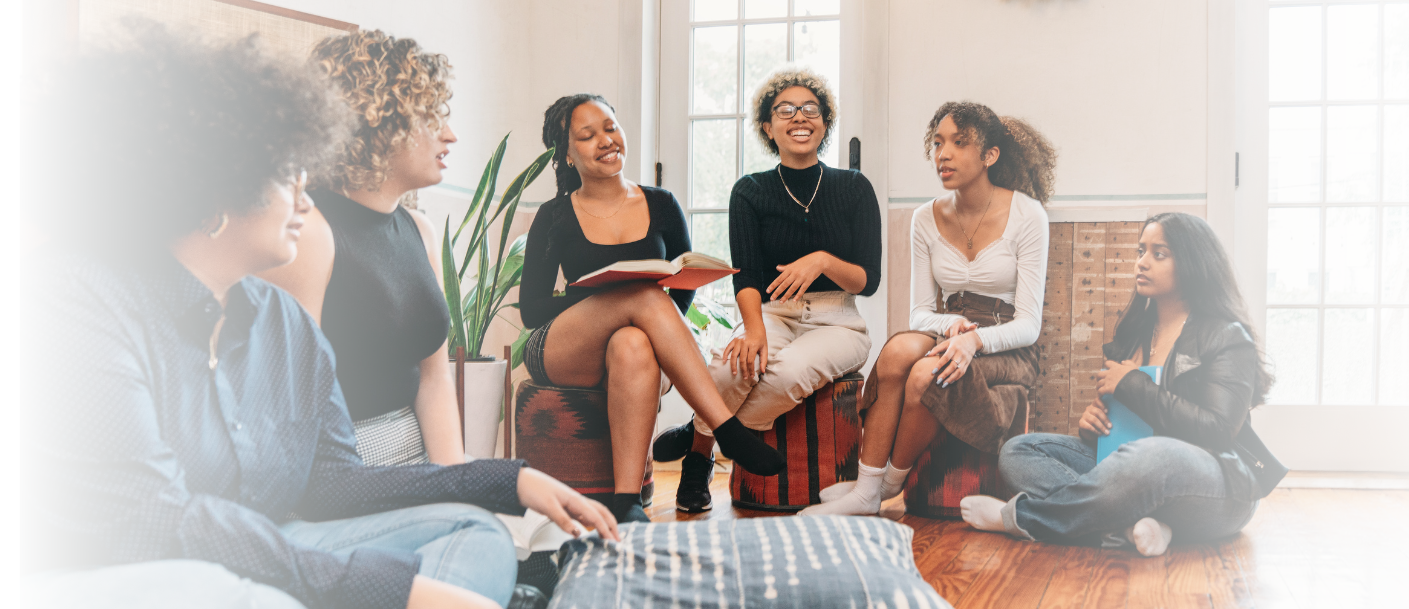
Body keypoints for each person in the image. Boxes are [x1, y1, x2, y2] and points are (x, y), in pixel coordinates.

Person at [30, 26, 617, 609]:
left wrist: (507, 479)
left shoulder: (280, 319)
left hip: (282, 543)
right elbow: (156, 523)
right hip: (163, 571)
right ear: (216, 181)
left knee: (474, 535)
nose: (307, 200)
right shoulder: (82, 301)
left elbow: (335, 485)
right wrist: (390, 589)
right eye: (289, 175)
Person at [518, 93, 785, 523]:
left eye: (610, 127)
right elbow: (531, 309)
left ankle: (626, 505)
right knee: (642, 296)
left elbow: (681, 287)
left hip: (638, 352)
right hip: (564, 351)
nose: (605, 140)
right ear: (566, 155)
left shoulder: (661, 203)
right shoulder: (554, 215)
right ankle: (725, 428)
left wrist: (632, 317)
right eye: (587, 136)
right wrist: (604, 299)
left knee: (633, 343)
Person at [960, 213, 1288, 557]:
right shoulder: (1135, 333)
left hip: (1216, 486)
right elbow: (1122, 435)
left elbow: (1218, 430)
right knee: (1018, 452)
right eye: (1141, 251)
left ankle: (1021, 517)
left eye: (1158, 254)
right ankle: (1130, 528)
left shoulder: (1225, 336)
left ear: (1192, 263)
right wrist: (1092, 427)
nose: (1142, 263)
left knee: (1151, 457)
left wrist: (1132, 383)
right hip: (1132, 472)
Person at [802, 101, 1056, 516]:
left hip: (1006, 344)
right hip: (951, 330)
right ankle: (866, 486)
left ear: (990, 155)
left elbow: (1028, 324)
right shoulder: (924, 218)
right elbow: (919, 314)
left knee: (925, 374)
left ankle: (885, 486)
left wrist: (975, 340)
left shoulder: (1028, 215)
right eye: (938, 143)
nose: (943, 154)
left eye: (959, 143)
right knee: (900, 351)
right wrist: (952, 324)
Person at [652, 67, 883, 513]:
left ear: (825, 122)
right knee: (731, 369)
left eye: (811, 109)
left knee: (784, 375)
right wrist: (753, 329)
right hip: (772, 313)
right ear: (767, 126)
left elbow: (867, 280)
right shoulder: (750, 191)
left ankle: (701, 440)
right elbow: (748, 277)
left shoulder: (854, 188)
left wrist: (823, 261)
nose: (800, 117)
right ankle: (698, 463)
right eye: (786, 110)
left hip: (839, 321)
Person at [260, 30, 464, 467]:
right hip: (345, 466)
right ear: (379, 124)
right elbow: (296, 403)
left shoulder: (420, 229)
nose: (450, 135)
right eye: (431, 118)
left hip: (417, 459)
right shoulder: (311, 234)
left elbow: (434, 380)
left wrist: (460, 484)